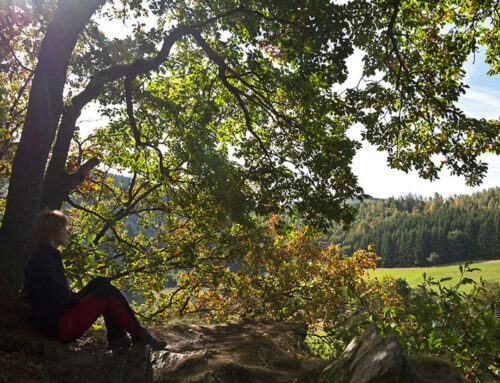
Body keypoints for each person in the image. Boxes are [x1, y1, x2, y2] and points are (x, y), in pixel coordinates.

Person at [23, 209, 167, 351]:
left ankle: (117, 337)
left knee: (100, 282)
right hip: (58, 327)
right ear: (53, 231)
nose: (67, 232)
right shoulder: (45, 259)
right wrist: (86, 301)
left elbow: (58, 296)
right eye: (64, 228)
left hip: (54, 318)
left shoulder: (46, 254)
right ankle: (142, 337)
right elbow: (61, 298)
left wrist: (84, 299)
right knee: (107, 292)